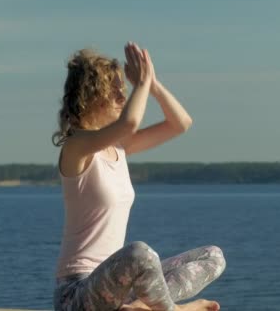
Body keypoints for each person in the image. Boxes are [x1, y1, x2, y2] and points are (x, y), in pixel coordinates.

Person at [51, 42, 226, 311]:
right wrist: (140, 84)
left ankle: (141, 307)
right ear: (92, 95)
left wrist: (152, 84)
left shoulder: (118, 149)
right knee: (140, 254)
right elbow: (129, 122)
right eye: (116, 93)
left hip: (118, 290)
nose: (123, 99)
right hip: (77, 295)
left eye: (125, 92)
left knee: (213, 256)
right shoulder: (77, 146)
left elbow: (181, 123)